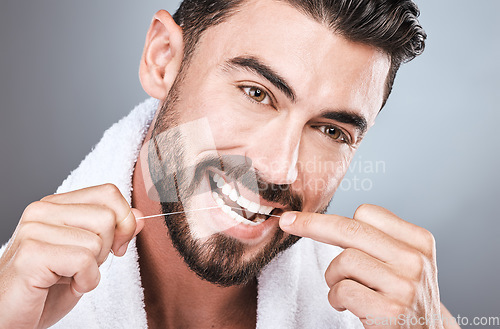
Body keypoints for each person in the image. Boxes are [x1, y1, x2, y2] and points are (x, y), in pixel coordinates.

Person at [0, 0, 461, 328]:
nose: (281, 169)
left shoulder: (389, 318)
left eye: (330, 131)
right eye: (256, 93)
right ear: (163, 61)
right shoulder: (12, 300)